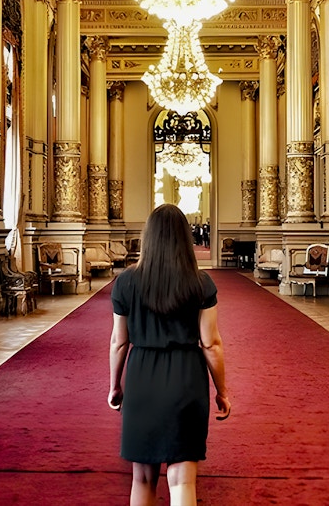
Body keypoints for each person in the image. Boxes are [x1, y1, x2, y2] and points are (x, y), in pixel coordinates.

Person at [108, 204, 231, 506]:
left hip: (142, 380)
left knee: (143, 479)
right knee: (182, 479)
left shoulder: (126, 282)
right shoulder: (200, 283)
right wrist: (222, 391)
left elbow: (118, 342)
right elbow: (210, 344)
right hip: (186, 378)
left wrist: (115, 386)